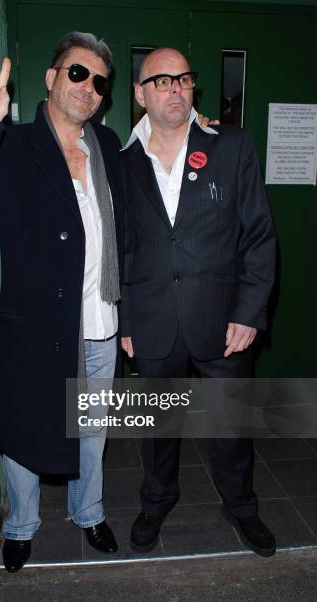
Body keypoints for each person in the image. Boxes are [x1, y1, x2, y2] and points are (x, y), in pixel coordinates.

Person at [0, 32, 125, 571]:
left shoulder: (106, 147)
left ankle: (89, 512)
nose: (89, 87)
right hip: (37, 325)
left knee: (92, 429)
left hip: (100, 323)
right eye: (77, 73)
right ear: (51, 77)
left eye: (99, 81)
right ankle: (20, 525)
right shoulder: (10, 143)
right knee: (23, 431)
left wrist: (198, 130)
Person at [121, 48, 277, 557]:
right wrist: (125, 319)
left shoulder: (230, 146)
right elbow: (117, 247)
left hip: (222, 323)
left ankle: (242, 507)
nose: (175, 88)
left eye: (184, 78)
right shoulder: (121, 162)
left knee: (230, 426)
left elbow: (258, 236)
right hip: (152, 321)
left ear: (193, 88)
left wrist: (250, 313)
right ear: (140, 94)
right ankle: (156, 501)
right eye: (161, 80)